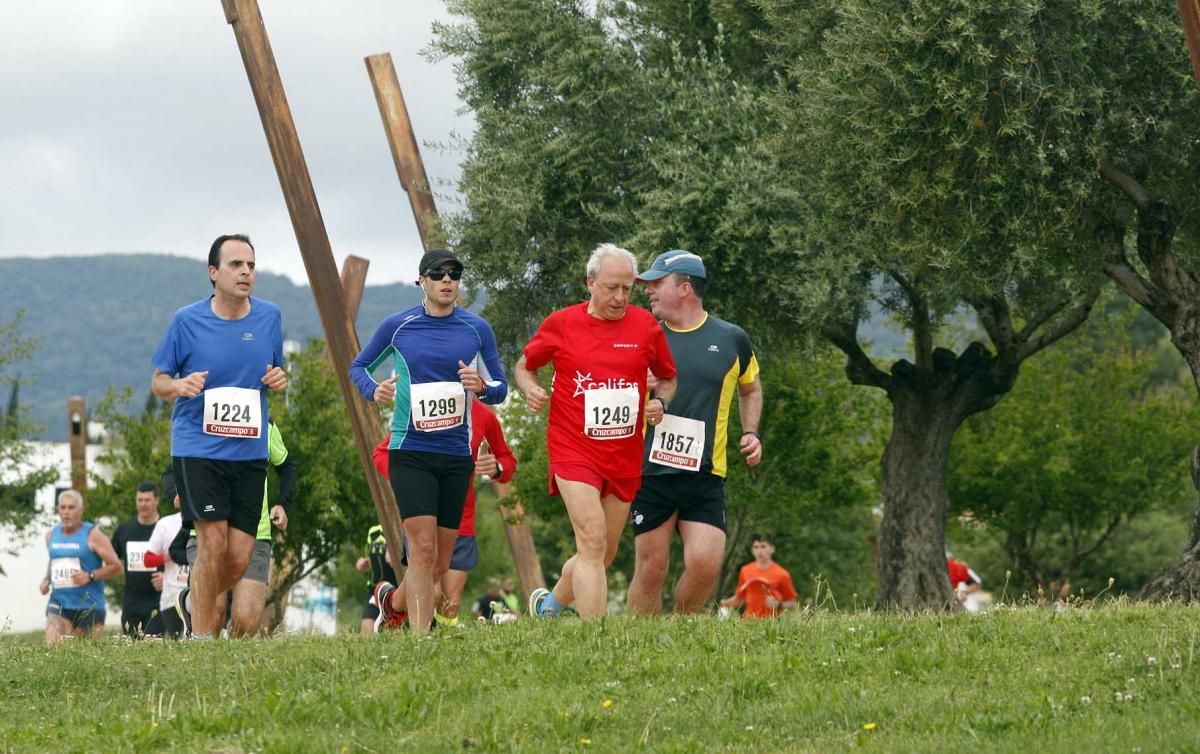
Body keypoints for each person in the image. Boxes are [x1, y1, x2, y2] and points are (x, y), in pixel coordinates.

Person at [516, 243, 678, 620]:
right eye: (611, 287)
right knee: (591, 538)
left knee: (601, 553)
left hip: (623, 455)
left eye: (627, 289)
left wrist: (661, 404)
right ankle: (595, 639)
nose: (620, 297)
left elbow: (668, 379)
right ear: (590, 283)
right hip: (573, 450)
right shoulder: (562, 324)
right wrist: (531, 388)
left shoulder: (644, 326)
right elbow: (525, 365)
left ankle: (550, 607)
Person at [351, 248, 507, 634]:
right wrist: (374, 391)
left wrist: (483, 387)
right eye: (438, 273)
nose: (447, 280)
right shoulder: (398, 326)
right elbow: (358, 366)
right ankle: (420, 640)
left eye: (455, 273)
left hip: (456, 454)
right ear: (422, 280)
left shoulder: (476, 329)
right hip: (411, 451)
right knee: (420, 550)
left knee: (439, 562)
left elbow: (500, 386)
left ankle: (392, 602)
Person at [150, 233, 287, 640]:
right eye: (235, 265)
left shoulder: (270, 317)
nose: (246, 272)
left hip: (249, 450)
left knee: (239, 555)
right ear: (213, 272)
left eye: (250, 265)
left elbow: (274, 371)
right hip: (198, 447)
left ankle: (194, 600)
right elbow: (158, 381)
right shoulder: (186, 321)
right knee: (211, 543)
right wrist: (179, 387)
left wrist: (278, 378)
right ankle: (203, 641)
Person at [624, 249, 764, 615]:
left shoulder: (732, 338)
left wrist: (751, 432)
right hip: (649, 471)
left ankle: (683, 631)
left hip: (705, 473)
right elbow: (611, 388)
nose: (648, 291)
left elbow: (751, 389)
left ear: (685, 288)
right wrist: (640, 383)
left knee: (705, 564)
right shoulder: (642, 334)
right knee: (651, 570)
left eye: (657, 283)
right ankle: (639, 645)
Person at [370, 399, 517, 630]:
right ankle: (405, 619)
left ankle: (395, 606)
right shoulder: (424, 406)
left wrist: (497, 467)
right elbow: (381, 453)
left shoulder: (484, 416)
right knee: (433, 593)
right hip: (422, 514)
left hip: (461, 519)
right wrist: (410, 480)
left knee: (449, 601)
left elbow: (507, 461)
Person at [176, 420, 295, 637]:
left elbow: (286, 467)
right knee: (214, 613)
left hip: (256, 531)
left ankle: (195, 605)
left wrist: (282, 504)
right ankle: (193, 607)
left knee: (246, 621)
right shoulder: (204, 418)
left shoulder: (266, 425)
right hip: (210, 527)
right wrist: (179, 493)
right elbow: (174, 468)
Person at [39, 490, 121, 644]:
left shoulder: (93, 535)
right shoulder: (51, 535)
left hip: (89, 605)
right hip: (59, 601)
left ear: (81, 510)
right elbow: (54, 560)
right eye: (63, 508)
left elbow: (117, 567)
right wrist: (46, 580)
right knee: (53, 648)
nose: (66, 512)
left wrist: (90, 576)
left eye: (71, 507)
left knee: (83, 658)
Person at [110, 480, 164, 636]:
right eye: (140, 500)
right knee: (131, 651)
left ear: (157, 500)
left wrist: (166, 577)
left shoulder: (166, 528)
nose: (143, 504)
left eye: (147, 500)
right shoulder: (124, 530)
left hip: (158, 602)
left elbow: (181, 558)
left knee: (153, 647)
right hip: (131, 602)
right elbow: (111, 559)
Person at [144, 470, 189, 639]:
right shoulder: (166, 524)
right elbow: (148, 559)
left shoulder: (210, 521)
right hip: (172, 597)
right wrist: (169, 556)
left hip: (197, 593)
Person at [719, 534, 798, 619]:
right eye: (756, 547)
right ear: (752, 550)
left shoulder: (782, 574)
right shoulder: (745, 570)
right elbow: (740, 598)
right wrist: (719, 603)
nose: (759, 551)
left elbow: (793, 604)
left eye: (763, 547)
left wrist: (778, 604)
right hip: (748, 622)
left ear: (772, 549)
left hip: (771, 625)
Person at [356, 524, 398, 634]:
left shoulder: (403, 526)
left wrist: (397, 558)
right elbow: (373, 558)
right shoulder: (373, 531)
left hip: (397, 590)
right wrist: (364, 563)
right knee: (367, 630)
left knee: (395, 632)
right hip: (375, 590)